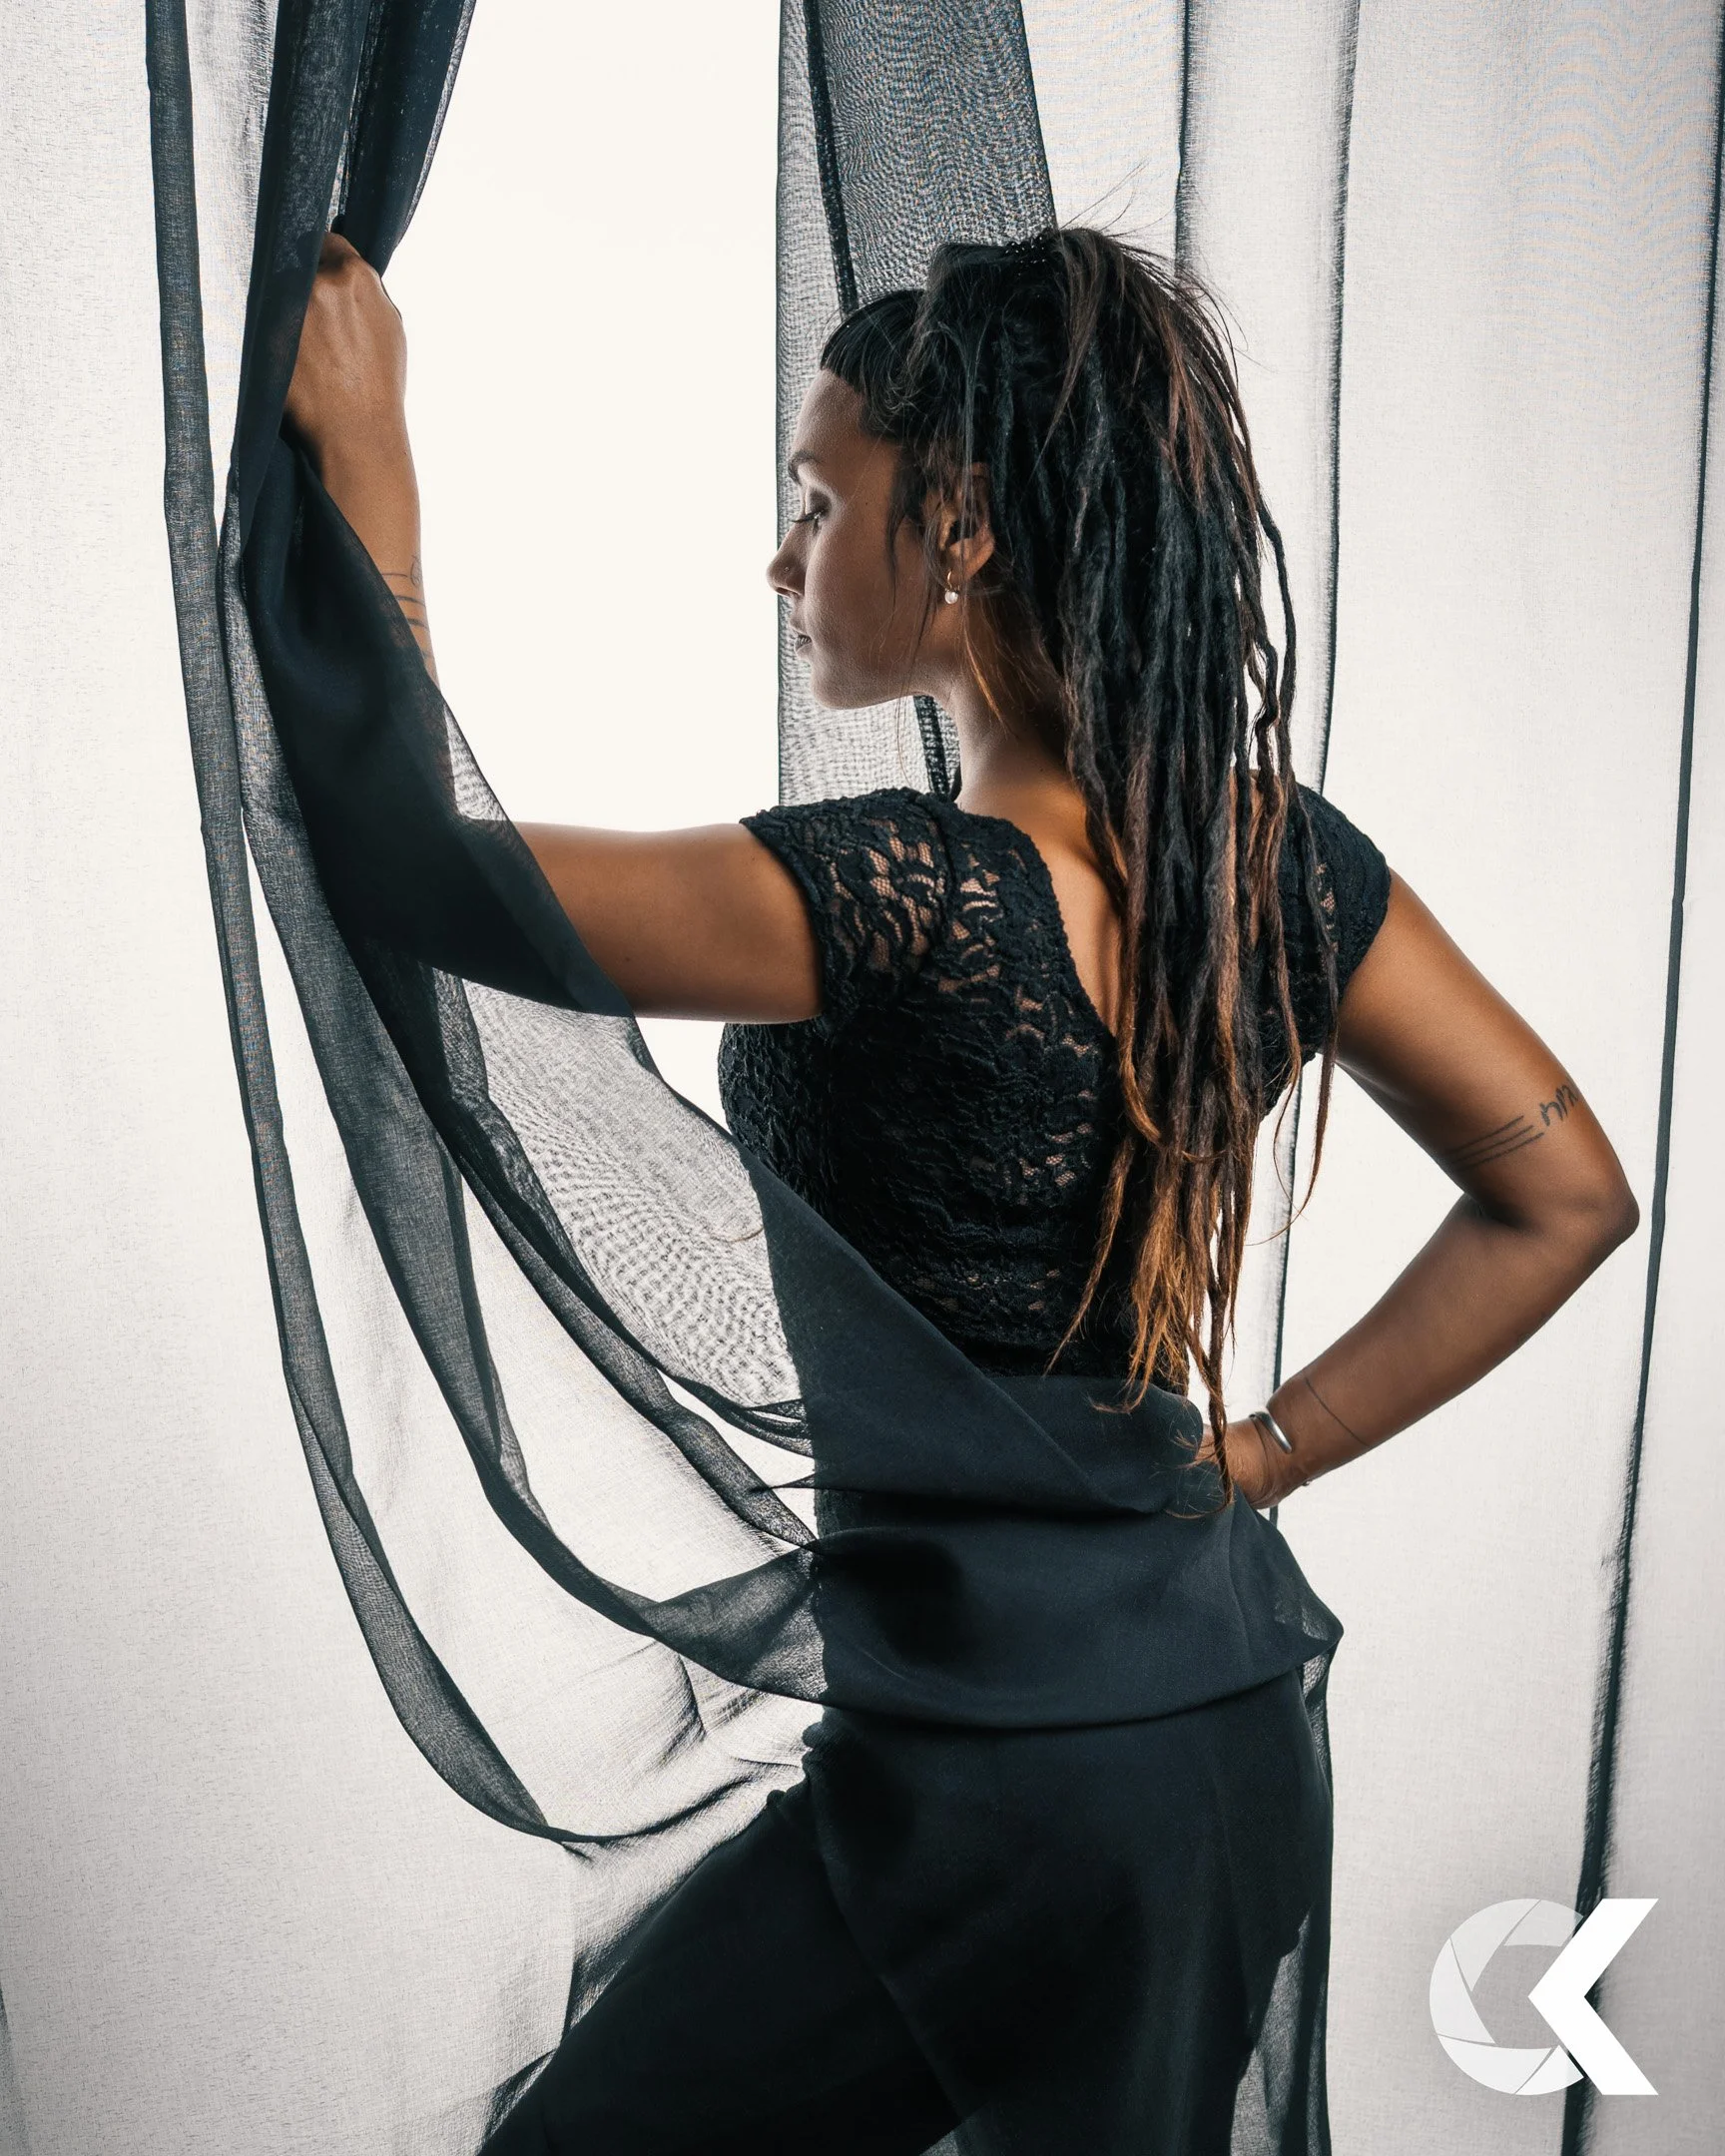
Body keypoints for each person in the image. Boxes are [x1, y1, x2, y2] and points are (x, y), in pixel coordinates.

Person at [284, 226, 1639, 2153]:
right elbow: (1567, 1189)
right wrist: (1249, 1458)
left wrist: (370, 470)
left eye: (818, 500)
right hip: (1208, 1718)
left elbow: (417, 871)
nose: (784, 560)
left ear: (966, 529)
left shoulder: (895, 901)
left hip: (1006, 1781)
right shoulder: (1271, 867)